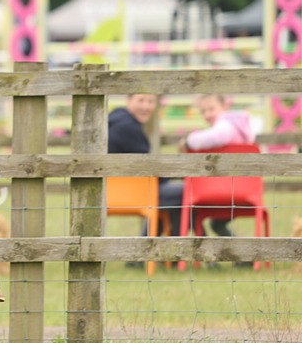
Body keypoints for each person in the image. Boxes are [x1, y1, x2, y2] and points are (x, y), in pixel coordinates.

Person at [108, 93, 184, 240]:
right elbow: (149, 167)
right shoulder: (127, 128)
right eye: (141, 100)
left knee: (172, 195)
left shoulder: (114, 122)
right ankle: (175, 251)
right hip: (131, 193)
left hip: (113, 191)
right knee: (186, 193)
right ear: (128, 100)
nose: (146, 106)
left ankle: (145, 252)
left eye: (150, 101)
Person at [179, 94, 256, 237]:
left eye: (211, 109)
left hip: (222, 189)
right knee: (217, 224)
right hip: (241, 189)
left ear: (225, 107)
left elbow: (218, 136)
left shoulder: (226, 124)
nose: (207, 114)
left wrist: (189, 140)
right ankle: (241, 255)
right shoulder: (238, 128)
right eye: (203, 111)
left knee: (184, 202)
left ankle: (201, 249)